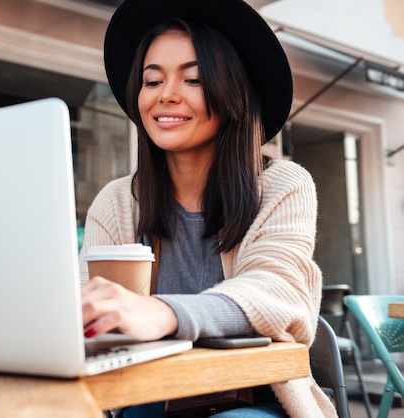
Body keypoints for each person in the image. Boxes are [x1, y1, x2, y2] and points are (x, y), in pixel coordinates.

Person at [78, 0, 337, 417]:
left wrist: (162, 313)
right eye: (152, 80)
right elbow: (86, 307)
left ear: (232, 92)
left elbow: (279, 290)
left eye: (193, 79)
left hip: (256, 398)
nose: (166, 95)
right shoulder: (117, 202)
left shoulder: (282, 185)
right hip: (146, 397)